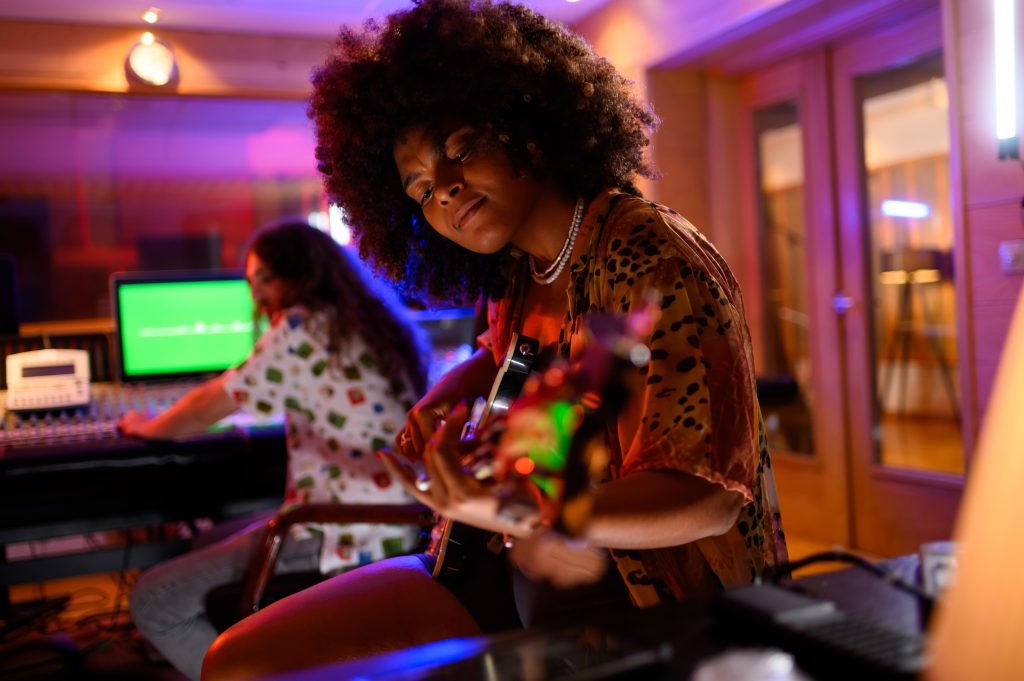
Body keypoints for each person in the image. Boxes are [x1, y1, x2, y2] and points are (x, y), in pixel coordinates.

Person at [202, 2, 788, 678]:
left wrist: (532, 506)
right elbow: (508, 352)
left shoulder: (654, 255)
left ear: (527, 129)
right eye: (420, 188)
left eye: (460, 149)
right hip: (487, 559)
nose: (444, 190)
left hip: (639, 600)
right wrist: (443, 399)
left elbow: (708, 499)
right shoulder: (518, 267)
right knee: (236, 662)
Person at [119, 220, 429, 681]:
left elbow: (210, 405)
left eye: (262, 278)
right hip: (392, 520)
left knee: (153, 600)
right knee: (206, 540)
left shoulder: (302, 326)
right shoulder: (368, 322)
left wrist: (150, 424)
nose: (256, 294)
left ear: (297, 273)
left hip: (345, 533)